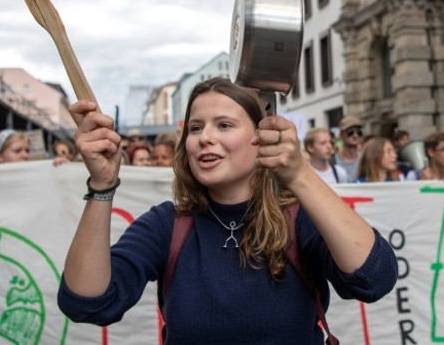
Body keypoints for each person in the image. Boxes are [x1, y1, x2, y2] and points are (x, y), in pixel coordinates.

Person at [58, 77, 397, 344]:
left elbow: (374, 279)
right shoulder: (167, 225)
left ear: (261, 137)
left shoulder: (298, 218)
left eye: (223, 125)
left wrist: (298, 175)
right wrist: (102, 186)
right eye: (195, 127)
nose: (204, 137)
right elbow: (88, 303)